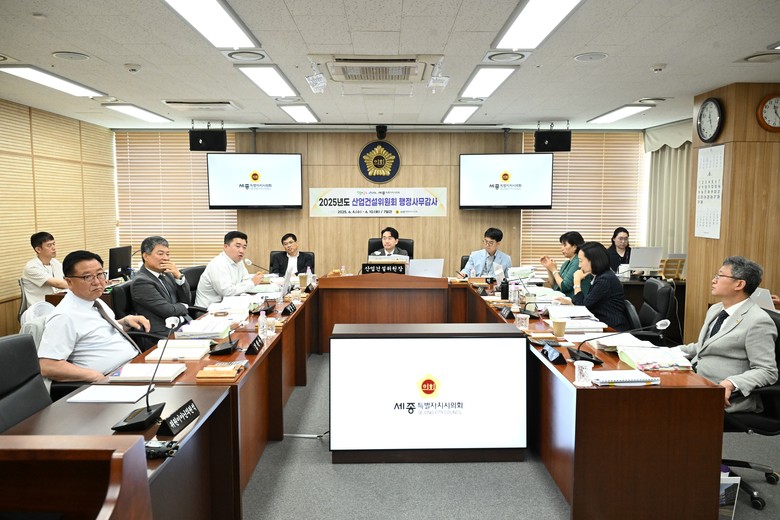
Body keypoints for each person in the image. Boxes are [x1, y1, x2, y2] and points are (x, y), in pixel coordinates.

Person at [678, 257, 778, 413]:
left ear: (739, 284)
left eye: (720, 276)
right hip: (697, 380)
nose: (713, 280)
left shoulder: (758, 321)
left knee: (663, 407)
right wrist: (667, 352)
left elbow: (767, 371)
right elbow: (705, 345)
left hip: (724, 395)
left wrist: (731, 383)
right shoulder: (716, 309)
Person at [38, 250, 150, 383]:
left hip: (133, 366)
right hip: (109, 378)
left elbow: (100, 333)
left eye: (100, 274)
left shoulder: (95, 301)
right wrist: (95, 376)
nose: (97, 282)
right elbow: (48, 365)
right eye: (87, 277)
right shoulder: (64, 316)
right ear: (69, 282)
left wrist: (124, 322)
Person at [563, 241, 630, 331]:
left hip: (612, 329)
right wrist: (570, 302)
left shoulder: (605, 280)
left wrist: (577, 282)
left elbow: (582, 309)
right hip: (602, 325)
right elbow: (588, 303)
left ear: (593, 261)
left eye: (581, 261)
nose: (579, 265)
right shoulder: (600, 276)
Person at [131, 236, 191, 336]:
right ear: (146, 256)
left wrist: (178, 276)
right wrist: (185, 306)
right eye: (160, 254)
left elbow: (186, 300)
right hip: (163, 334)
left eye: (167, 254)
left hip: (182, 324)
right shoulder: (141, 282)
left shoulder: (166, 274)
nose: (166, 258)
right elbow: (169, 311)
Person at [195, 231, 264, 307]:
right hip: (208, 310)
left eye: (244, 247)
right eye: (238, 246)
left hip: (227, 305)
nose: (241, 251)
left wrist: (254, 281)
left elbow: (245, 279)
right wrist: (252, 283)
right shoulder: (218, 264)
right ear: (225, 247)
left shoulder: (239, 261)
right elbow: (227, 292)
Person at [21, 231, 68, 307]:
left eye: (54, 244)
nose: (54, 248)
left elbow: (67, 278)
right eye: (49, 245)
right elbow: (58, 284)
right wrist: (79, 286)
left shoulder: (55, 262)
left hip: (56, 303)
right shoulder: (31, 267)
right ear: (38, 249)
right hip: (40, 308)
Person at [539, 231, 591, 298]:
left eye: (565, 245)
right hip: (563, 300)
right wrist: (549, 268)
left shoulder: (577, 262)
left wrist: (554, 270)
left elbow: (564, 287)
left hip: (574, 301)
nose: (562, 248)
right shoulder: (566, 263)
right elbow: (555, 286)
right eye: (561, 245)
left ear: (575, 247)